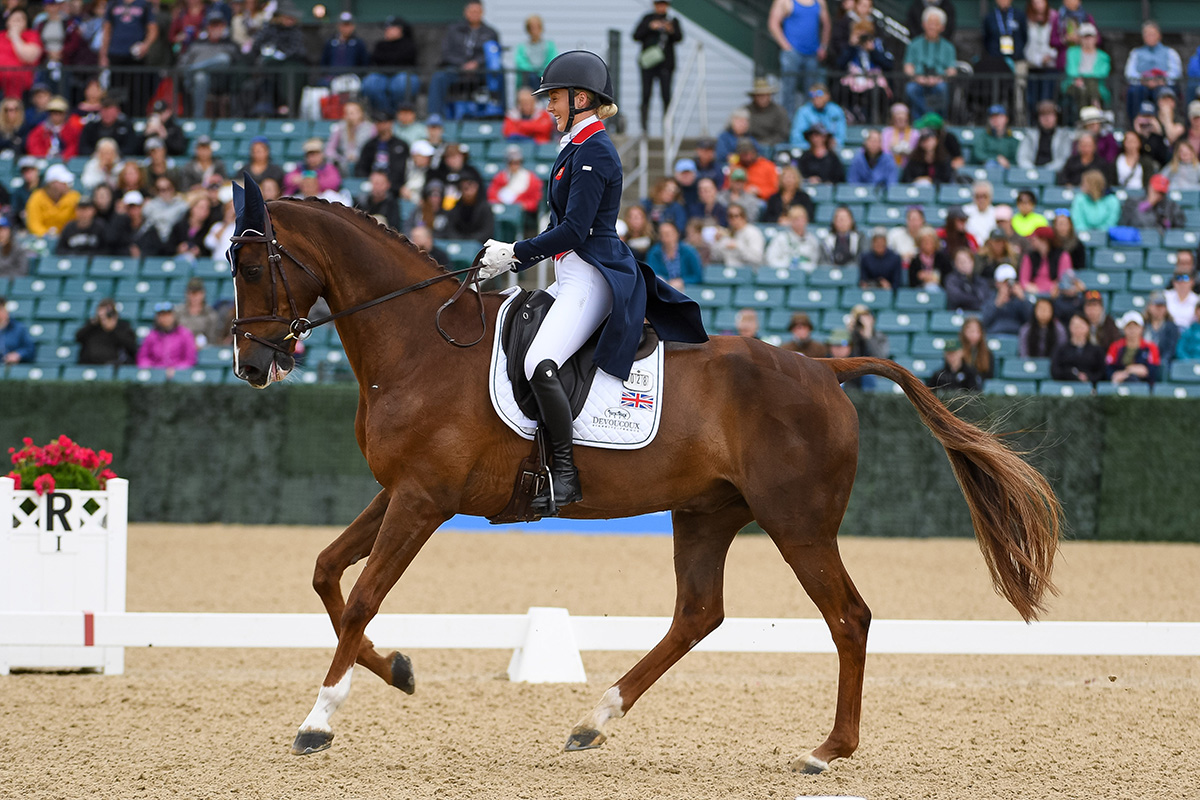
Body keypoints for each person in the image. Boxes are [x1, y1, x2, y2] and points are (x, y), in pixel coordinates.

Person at [473, 51, 706, 515]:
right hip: (570, 273)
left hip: (592, 274)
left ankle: (564, 475)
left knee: (540, 361)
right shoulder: (575, 146)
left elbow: (575, 231)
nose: (548, 107)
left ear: (580, 99)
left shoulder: (595, 150)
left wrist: (516, 253)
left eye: (554, 98)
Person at [768, 0, 830, 115]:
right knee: (788, 90)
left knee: (813, 91)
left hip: (813, 53)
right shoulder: (784, 1)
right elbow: (773, 23)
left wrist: (823, 46)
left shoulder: (819, 2)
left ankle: (810, 121)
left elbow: (826, 23)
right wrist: (786, 46)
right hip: (792, 53)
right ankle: (788, 121)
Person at [632, 0, 683, 134]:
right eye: (658, 4)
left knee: (666, 96)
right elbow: (636, 35)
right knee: (646, 94)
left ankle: (667, 128)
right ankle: (644, 128)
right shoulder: (647, 19)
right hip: (648, 64)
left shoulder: (672, 20)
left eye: (663, 4)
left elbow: (679, 37)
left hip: (666, 64)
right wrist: (650, 27)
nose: (661, 7)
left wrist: (670, 30)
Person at [100, 0, 158, 114]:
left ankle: (136, 116)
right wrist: (103, 54)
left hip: (136, 56)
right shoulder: (113, 4)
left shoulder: (144, 5)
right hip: (116, 53)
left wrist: (145, 45)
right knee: (116, 90)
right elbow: (107, 29)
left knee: (137, 90)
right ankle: (117, 116)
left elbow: (153, 29)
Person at [178, 10, 239, 117]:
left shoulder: (230, 45)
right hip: (196, 84)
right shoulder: (196, 44)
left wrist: (192, 69)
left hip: (223, 82)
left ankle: (194, 69)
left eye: (218, 25)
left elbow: (238, 65)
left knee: (223, 59)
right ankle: (198, 117)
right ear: (207, 27)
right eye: (213, 25)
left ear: (224, 27)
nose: (216, 29)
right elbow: (182, 65)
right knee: (200, 77)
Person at [834, 17, 893, 124]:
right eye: (859, 33)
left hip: (872, 82)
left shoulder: (878, 45)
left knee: (878, 93)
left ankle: (874, 121)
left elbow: (888, 64)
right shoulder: (851, 48)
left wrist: (873, 51)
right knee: (840, 90)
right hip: (853, 81)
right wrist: (851, 46)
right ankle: (851, 117)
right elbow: (840, 64)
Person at [1124, 20, 1181, 124]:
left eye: (1152, 34)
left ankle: (1165, 126)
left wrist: (1161, 80)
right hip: (1142, 85)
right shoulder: (1136, 53)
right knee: (1134, 92)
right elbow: (1129, 73)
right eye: (1147, 34)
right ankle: (1135, 124)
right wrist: (1144, 80)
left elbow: (1176, 73)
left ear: (1159, 35)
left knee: (1166, 94)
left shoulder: (1170, 52)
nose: (1150, 37)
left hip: (1163, 84)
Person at [903, 6, 956, 117]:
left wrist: (939, 78)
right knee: (910, 89)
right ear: (923, 24)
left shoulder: (948, 47)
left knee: (942, 88)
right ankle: (925, 118)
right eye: (930, 23)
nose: (932, 27)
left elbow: (952, 70)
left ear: (942, 27)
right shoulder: (914, 44)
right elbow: (908, 67)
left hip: (939, 81)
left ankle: (936, 119)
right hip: (918, 80)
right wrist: (917, 78)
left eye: (936, 24)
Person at [362, 16, 419, 116]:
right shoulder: (380, 44)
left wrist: (389, 58)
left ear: (400, 29)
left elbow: (403, 60)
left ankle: (398, 113)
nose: (386, 30)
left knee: (401, 83)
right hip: (382, 75)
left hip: (403, 75)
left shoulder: (409, 44)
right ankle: (383, 114)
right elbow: (375, 59)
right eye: (386, 28)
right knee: (370, 82)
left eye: (390, 27)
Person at [487, 145, 543, 236]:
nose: (514, 166)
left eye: (517, 163)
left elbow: (535, 201)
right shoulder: (500, 177)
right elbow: (492, 196)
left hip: (523, 216)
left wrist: (522, 205)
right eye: (511, 163)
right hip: (503, 212)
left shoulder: (530, 178)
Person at [354, 111, 409, 192]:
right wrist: (371, 178)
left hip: (393, 186)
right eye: (378, 122)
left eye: (384, 122)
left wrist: (386, 181)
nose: (381, 125)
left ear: (391, 123)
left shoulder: (401, 145)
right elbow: (361, 167)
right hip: (372, 184)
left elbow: (402, 170)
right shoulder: (369, 145)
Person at [1061, 22, 1109, 112]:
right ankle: (1094, 109)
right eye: (1084, 37)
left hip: (1095, 84)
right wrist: (1079, 79)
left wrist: (1084, 78)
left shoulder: (1103, 56)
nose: (1087, 40)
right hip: (1075, 82)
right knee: (1082, 88)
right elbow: (1071, 70)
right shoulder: (1071, 52)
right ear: (1080, 39)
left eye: (1090, 37)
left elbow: (1103, 72)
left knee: (1090, 84)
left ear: (1095, 38)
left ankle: (1088, 113)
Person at [75, 297, 137, 365]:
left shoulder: (122, 326)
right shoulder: (92, 326)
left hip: (112, 365)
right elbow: (78, 337)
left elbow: (131, 347)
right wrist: (93, 323)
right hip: (89, 363)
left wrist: (113, 328)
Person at [138, 301, 196, 373]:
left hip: (179, 374)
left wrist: (176, 370)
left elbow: (190, 360)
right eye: (161, 315)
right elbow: (143, 358)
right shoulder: (151, 335)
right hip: (156, 373)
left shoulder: (185, 334)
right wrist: (150, 368)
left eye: (167, 315)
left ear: (174, 316)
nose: (164, 318)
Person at [1105, 310, 1161, 385]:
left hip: (1142, 384)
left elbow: (1154, 371)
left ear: (1142, 329)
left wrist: (1143, 371)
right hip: (1119, 383)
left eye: (1135, 327)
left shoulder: (1151, 347)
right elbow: (1108, 368)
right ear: (1124, 329)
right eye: (1129, 327)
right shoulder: (1116, 346)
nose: (1132, 330)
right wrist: (1117, 374)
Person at [25, 163, 80, 237]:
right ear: (52, 184)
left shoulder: (74, 197)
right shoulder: (36, 198)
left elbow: (78, 221)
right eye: (63, 182)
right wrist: (47, 236)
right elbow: (34, 224)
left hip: (68, 238)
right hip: (43, 239)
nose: (67, 185)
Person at [1016, 101, 1072, 171]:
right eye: (1043, 115)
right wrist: (1034, 171)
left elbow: (1064, 158)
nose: (1046, 118)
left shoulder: (1063, 135)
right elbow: (1022, 157)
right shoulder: (1030, 135)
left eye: (1050, 115)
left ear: (1056, 117)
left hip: (1056, 173)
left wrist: (1046, 171)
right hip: (1031, 173)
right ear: (1038, 118)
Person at [646, 220, 701, 290]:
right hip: (663, 289)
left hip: (687, 289)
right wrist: (664, 280)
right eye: (662, 234)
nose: (665, 238)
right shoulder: (654, 253)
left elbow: (697, 276)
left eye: (668, 234)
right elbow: (652, 273)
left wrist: (682, 281)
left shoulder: (689, 251)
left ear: (677, 233)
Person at [789, 82, 846, 150]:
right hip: (808, 150)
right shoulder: (803, 111)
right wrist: (812, 148)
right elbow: (796, 137)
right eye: (812, 95)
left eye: (819, 95)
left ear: (827, 96)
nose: (816, 98)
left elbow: (840, 136)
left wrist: (832, 145)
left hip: (831, 150)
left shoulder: (836, 111)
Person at [107, 190, 164, 257]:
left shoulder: (150, 228)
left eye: (136, 207)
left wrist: (141, 254)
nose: (133, 211)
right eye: (129, 208)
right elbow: (110, 243)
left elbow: (158, 251)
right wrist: (118, 215)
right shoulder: (120, 227)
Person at [1118, 173, 1185, 230]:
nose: (1158, 195)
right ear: (1150, 188)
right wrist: (1149, 203)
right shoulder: (1132, 202)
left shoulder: (1170, 206)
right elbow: (1131, 222)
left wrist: (1167, 222)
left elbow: (1179, 225)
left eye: (1161, 193)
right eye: (1156, 191)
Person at [765, 204, 822, 271]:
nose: (800, 222)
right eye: (796, 219)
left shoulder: (812, 240)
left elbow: (815, 263)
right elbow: (771, 260)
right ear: (790, 221)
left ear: (806, 220)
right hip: (784, 271)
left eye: (802, 219)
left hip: (806, 273)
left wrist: (802, 266)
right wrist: (788, 264)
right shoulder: (781, 238)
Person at [323, 100, 374, 176]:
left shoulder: (371, 128)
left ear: (360, 113)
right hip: (343, 165)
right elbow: (329, 150)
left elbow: (373, 148)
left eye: (352, 113)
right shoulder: (340, 127)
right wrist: (340, 158)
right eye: (346, 113)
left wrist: (359, 157)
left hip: (365, 164)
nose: (349, 116)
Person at [1051, 313, 1105, 383]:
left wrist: (1088, 377)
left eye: (1081, 326)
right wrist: (1071, 375)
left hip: (1090, 385)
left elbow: (1101, 372)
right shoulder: (1060, 349)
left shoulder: (1097, 350)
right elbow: (1055, 371)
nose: (1078, 329)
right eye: (1075, 325)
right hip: (1065, 385)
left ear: (1088, 327)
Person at [24, 94, 82, 160]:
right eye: (53, 112)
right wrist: (45, 157)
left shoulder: (71, 130)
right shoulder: (40, 130)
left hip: (65, 162)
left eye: (60, 112)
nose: (56, 115)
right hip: (44, 161)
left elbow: (74, 146)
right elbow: (34, 145)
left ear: (65, 114)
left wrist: (64, 157)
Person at [1018, 226, 1070, 295]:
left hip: (1056, 294)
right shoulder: (1029, 257)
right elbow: (1023, 280)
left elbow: (1065, 278)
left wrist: (1055, 287)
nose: (1031, 241)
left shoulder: (1062, 255)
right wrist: (1029, 287)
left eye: (1034, 239)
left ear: (1044, 240)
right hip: (1033, 293)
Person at [981, 263, 1031, 335]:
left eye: (1010, 282)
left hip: (1017, 333)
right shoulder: (990, 296)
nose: (1007, 285)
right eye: (1004, 282)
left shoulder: (1019, 298)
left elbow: (1030, 320)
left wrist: (1023, 299)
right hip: (995, 334)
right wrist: (997, 303)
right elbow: (984, 321)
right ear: (997, 283)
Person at [443, 174, 493, 243]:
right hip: (459, 243)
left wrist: (471, 241)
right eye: (465, 188)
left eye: (471, 187)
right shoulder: (456, 207)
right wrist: (461, 241)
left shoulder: (485, 208)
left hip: (479, 245)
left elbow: (487, 232)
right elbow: (450, 229)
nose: (468, 192)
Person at [173, 276, 222, 346]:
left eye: (197, 294)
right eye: (191, 293)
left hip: (203, 347)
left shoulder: (210, 314)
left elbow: (212, 338)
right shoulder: (178, 312)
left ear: (203, 294)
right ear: (187, 294)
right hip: (180, 345)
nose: (194, 297)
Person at [513, 14, 556, 90]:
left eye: (537, 27)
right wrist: (534, 71)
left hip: (545, 77)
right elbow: (520, 63)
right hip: (529, 80)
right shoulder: (522, 47)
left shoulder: (549, 46)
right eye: (532, 28)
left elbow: (553, 60)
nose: (534, 31)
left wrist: (541, 72)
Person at [744, 78, 791, 147]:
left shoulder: (779, 111)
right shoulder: (746, 110)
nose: (762, 98)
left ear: (769, 96)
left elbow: (783, 133)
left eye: (765, 95)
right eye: (759, 95)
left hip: (773, 146)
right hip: (750, 145)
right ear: (754, 97)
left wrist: (767, 143)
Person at [944, 247, 991, 311]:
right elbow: (957, 298)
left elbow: (985, 297)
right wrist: (975, 299)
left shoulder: (980, 280)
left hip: (978, 313)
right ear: (955, 264)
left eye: (967, 261)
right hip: (957, 313)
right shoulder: (951, 280)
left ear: (973, 262)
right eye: (960, 261)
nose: (964, 264)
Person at [1142, 292, 1179, 369]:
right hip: (1143, 362)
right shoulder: (1142, 325)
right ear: (1149, 307)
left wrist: (1159, 363)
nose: (1159, 309)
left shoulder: (1172, 327)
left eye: (1162, 306)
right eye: (1156, 306)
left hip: (1162, 364)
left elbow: (1170, 350)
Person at [881, 102, 918, 168]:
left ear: (907, 118)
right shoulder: (887, 132)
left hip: (910, 166)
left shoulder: (915, 133)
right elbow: (884, 151)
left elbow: (917, 152)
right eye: (898, 118)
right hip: (890, 166)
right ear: (893, 119)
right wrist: (894, 150)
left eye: (903, 118)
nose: (901, 119)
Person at [0, 296, 36, 364]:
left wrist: (18, 354)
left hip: (12, 366)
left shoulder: (18, 328)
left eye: (1, 309)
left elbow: (29, 350)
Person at [962, 180, 998, 244]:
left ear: (990, 197)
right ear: (973, 197)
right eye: (978, 196)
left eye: (985, 196)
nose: (981, 200)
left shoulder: (996, 213)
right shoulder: (965, 211)